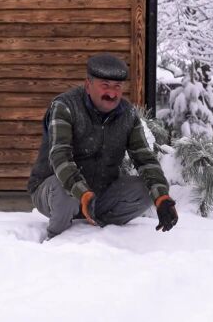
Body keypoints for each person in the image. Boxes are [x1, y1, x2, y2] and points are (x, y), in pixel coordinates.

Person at [27, 53, 178, 238]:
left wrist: (161, 196)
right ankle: (57, 243)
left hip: (101, 193)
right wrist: (83, 193)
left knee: (146, 189)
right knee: (64, 188)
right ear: (88, 85)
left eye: (117, 86)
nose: (112, 93)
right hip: (53, 190)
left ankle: (101, 235)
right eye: (105, 85)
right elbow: (60, 156)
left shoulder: (127, 115)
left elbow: (145, 159)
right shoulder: (65, 106)